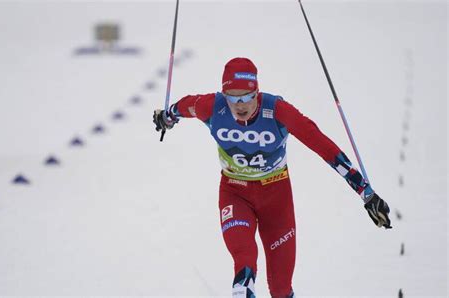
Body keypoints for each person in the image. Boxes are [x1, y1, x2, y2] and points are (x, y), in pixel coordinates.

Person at [153, 57, 391, 298]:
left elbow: (322, 145)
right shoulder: (213, 107)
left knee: (280, 288)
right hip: (235, 192)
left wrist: (366, 193)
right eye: (233, 97)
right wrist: (167, 117)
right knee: (244, 259)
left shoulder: (277, 111)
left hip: (276, 197)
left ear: (257, 91)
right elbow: (184, 106)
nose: (240, 104)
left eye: (246, 96)